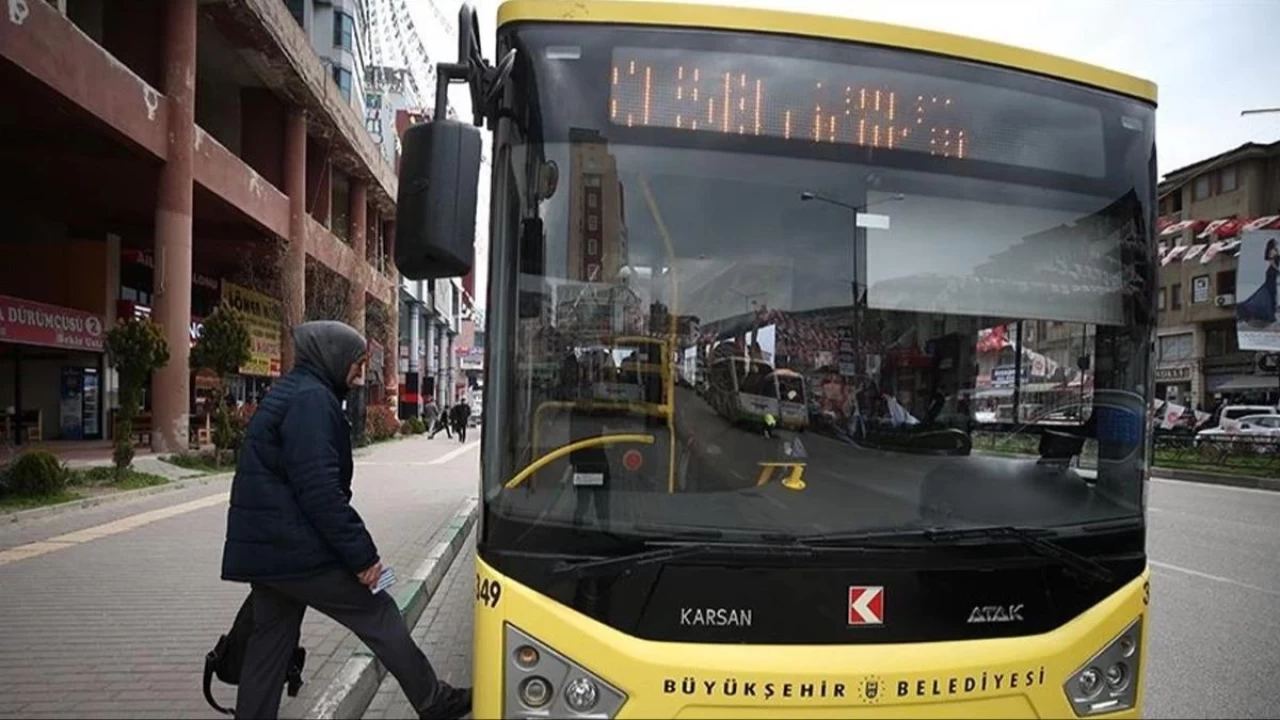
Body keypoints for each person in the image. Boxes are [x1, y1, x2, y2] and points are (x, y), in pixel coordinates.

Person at [221, 321, 470, 720]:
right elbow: (320, 491)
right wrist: (363, 558)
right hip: (297, 551)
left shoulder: (292, 392)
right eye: (356, 363)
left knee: (269, 645)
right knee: (379, 611)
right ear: (333, 356)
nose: (359, 374)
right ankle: (433, 701)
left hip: (270, 553)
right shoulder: (311, 400)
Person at [1238, 238, 1280, 325]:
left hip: (1272, 272)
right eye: (1275, 243)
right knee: (1270, 292)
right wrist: (1277, 270)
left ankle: (1270, 313)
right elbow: (1272, 262)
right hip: (1271, 272)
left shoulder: (1275, 250)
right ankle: (1268, 313)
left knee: (1271, 292)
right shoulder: (1272, 251)